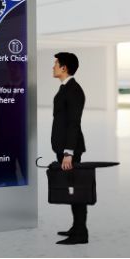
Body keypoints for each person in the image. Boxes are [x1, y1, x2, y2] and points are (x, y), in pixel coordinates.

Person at [50, 51, 89, 245]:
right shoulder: (65, 88)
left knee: (76, 190)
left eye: (56, 64)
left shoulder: (73, 90)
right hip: (64, 148)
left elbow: (74, 123)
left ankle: (81, 233)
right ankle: (76, 227)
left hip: (69, 150)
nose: (53, 67)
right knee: (72, 189)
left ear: (64, 68)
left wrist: (68, 153)